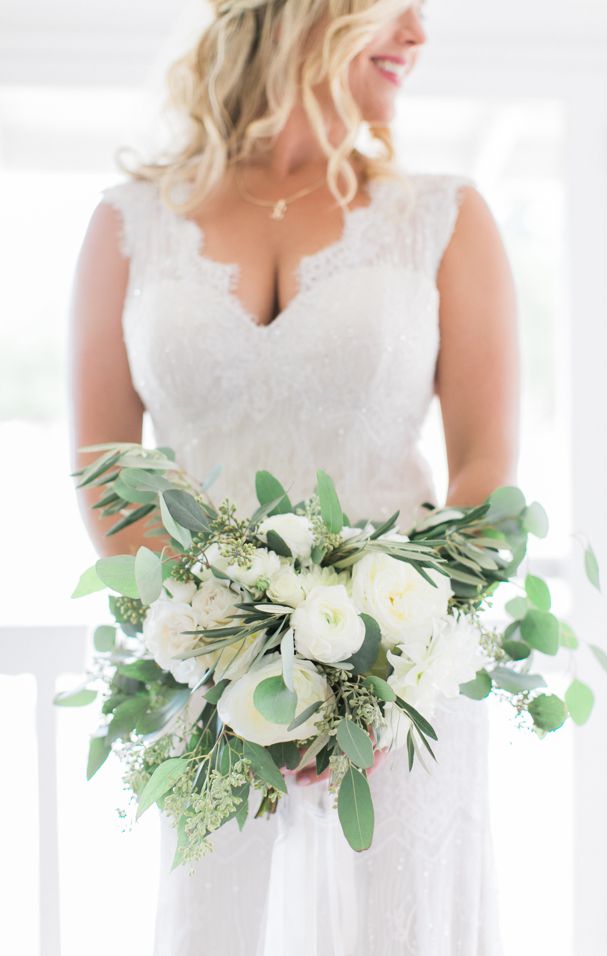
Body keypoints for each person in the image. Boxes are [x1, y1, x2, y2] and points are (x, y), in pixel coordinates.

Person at [68, 1, 516, 952]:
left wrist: (383, 673)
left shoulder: (443, 214)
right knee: (217, 926)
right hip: (203, 689)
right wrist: (222, 655)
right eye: (397, 10)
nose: (419, 36)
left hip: (403, 688)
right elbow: (107, 469)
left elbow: (485, 465)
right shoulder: (127, 224)